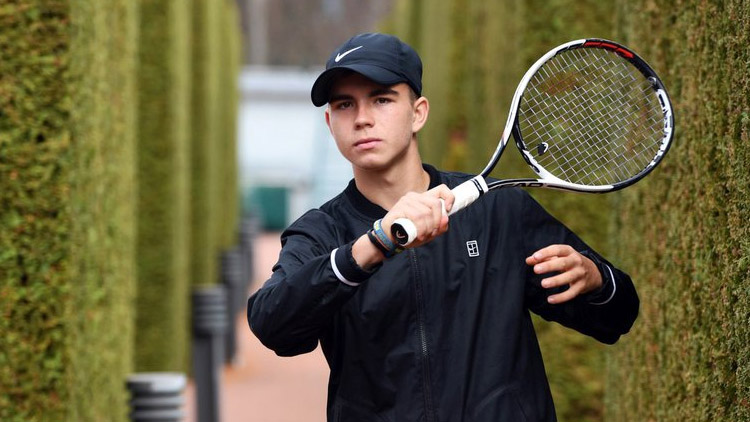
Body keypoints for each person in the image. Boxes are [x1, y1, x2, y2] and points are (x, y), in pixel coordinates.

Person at [247, 32, 639, 422]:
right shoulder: (320, 232)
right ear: (330, 123)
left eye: (381, 99)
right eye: (345, 104)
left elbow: (617, 317)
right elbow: (274, 326)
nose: (363, 118)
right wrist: (375, 243)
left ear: (418, 112)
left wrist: (597, 280)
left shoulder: (499, 210)